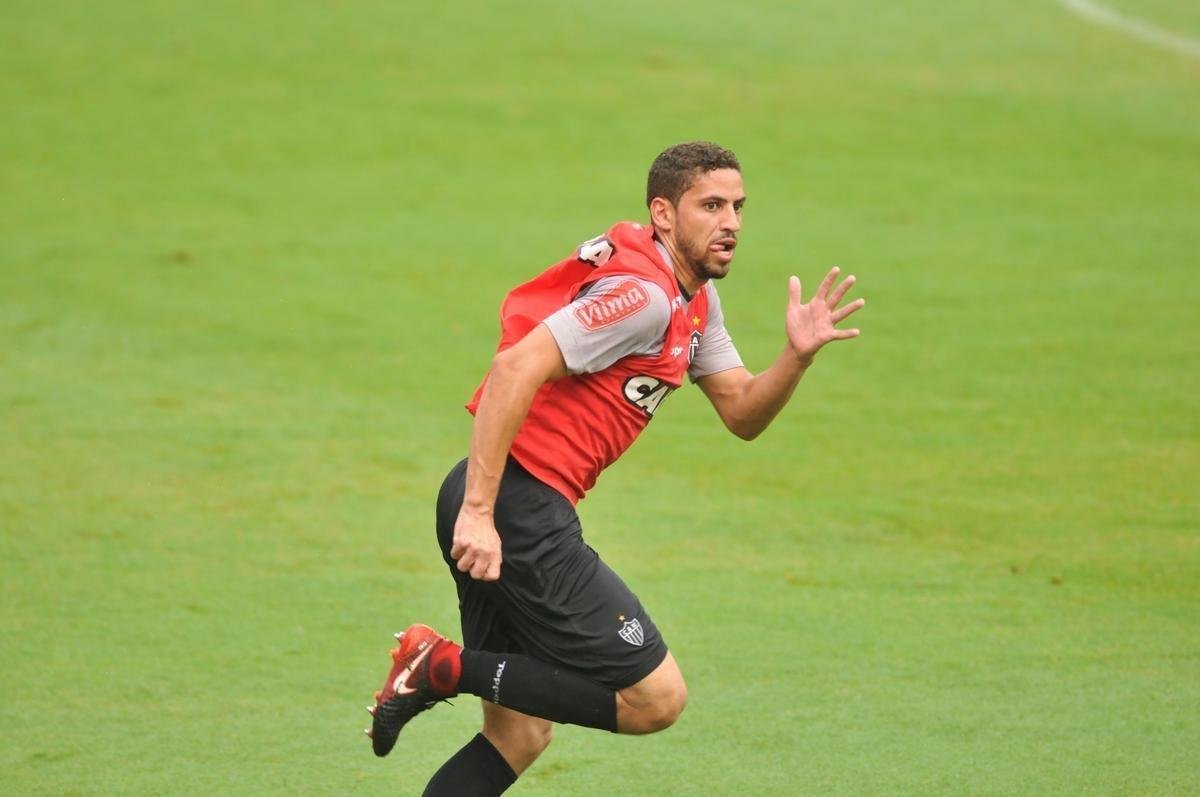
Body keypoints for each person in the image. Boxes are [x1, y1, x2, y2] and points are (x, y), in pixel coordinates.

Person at [365, 141, 865, 795]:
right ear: (663, 213)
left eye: (738, 207)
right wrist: (483, 512)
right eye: (710, 206)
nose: (731, 222)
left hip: (503, 501)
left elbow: (742, 410)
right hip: (516, 507)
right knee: (656, 699)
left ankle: (445, 667)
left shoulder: (694, 303)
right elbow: (514, 366)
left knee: (518, 734)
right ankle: (441, 667)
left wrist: (795, 357)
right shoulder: (644, 299)